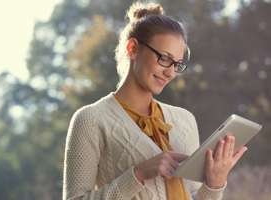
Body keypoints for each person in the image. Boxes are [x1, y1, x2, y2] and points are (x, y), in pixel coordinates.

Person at [62, 2, 247, 200]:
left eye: (177, 64)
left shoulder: (185, 121)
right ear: (132, 48)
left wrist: (214, 184)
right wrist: (138, 174)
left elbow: (193, 195)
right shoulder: (90, 119)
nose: (170, 72)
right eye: (164, 58)